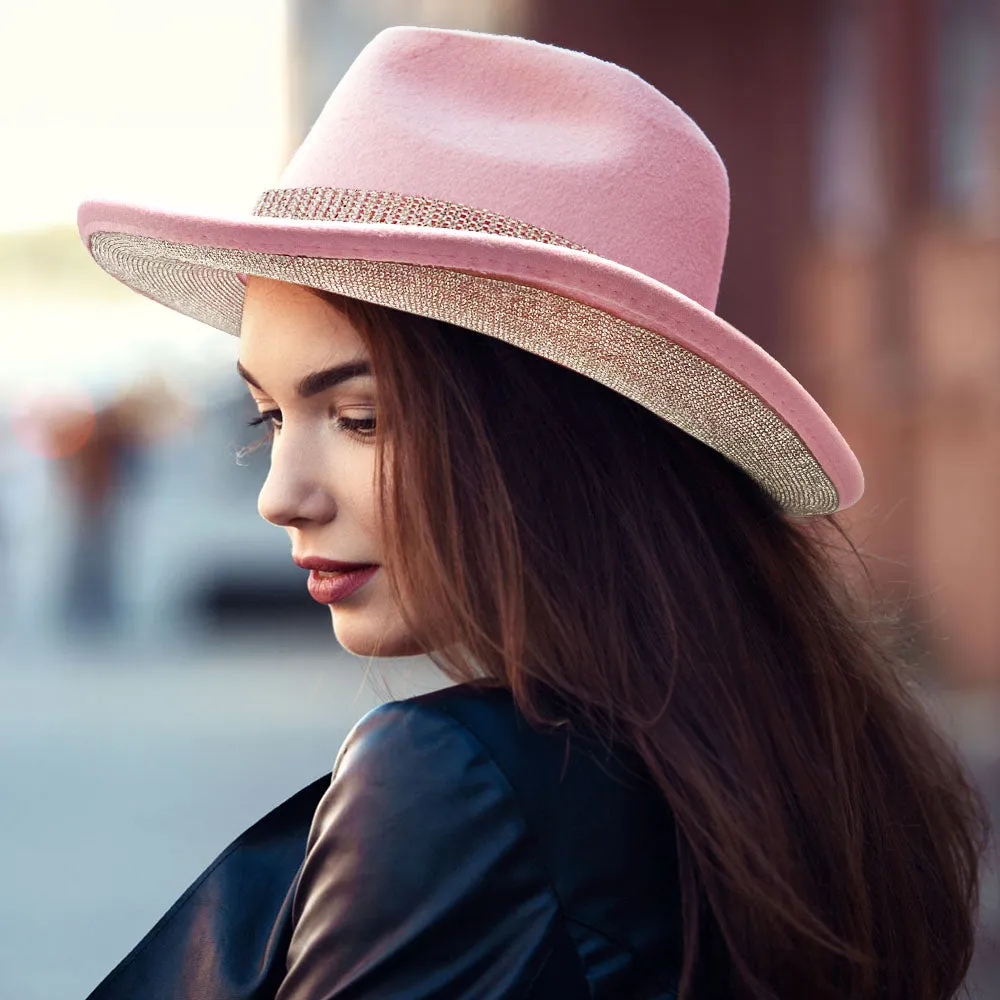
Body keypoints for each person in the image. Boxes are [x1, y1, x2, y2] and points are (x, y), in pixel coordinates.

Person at [77, 25, 989, 1000]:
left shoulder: (455, 784)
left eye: (359, 416)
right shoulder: (808, 773)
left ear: (547, 434)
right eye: (271, 416)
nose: (278, 496)